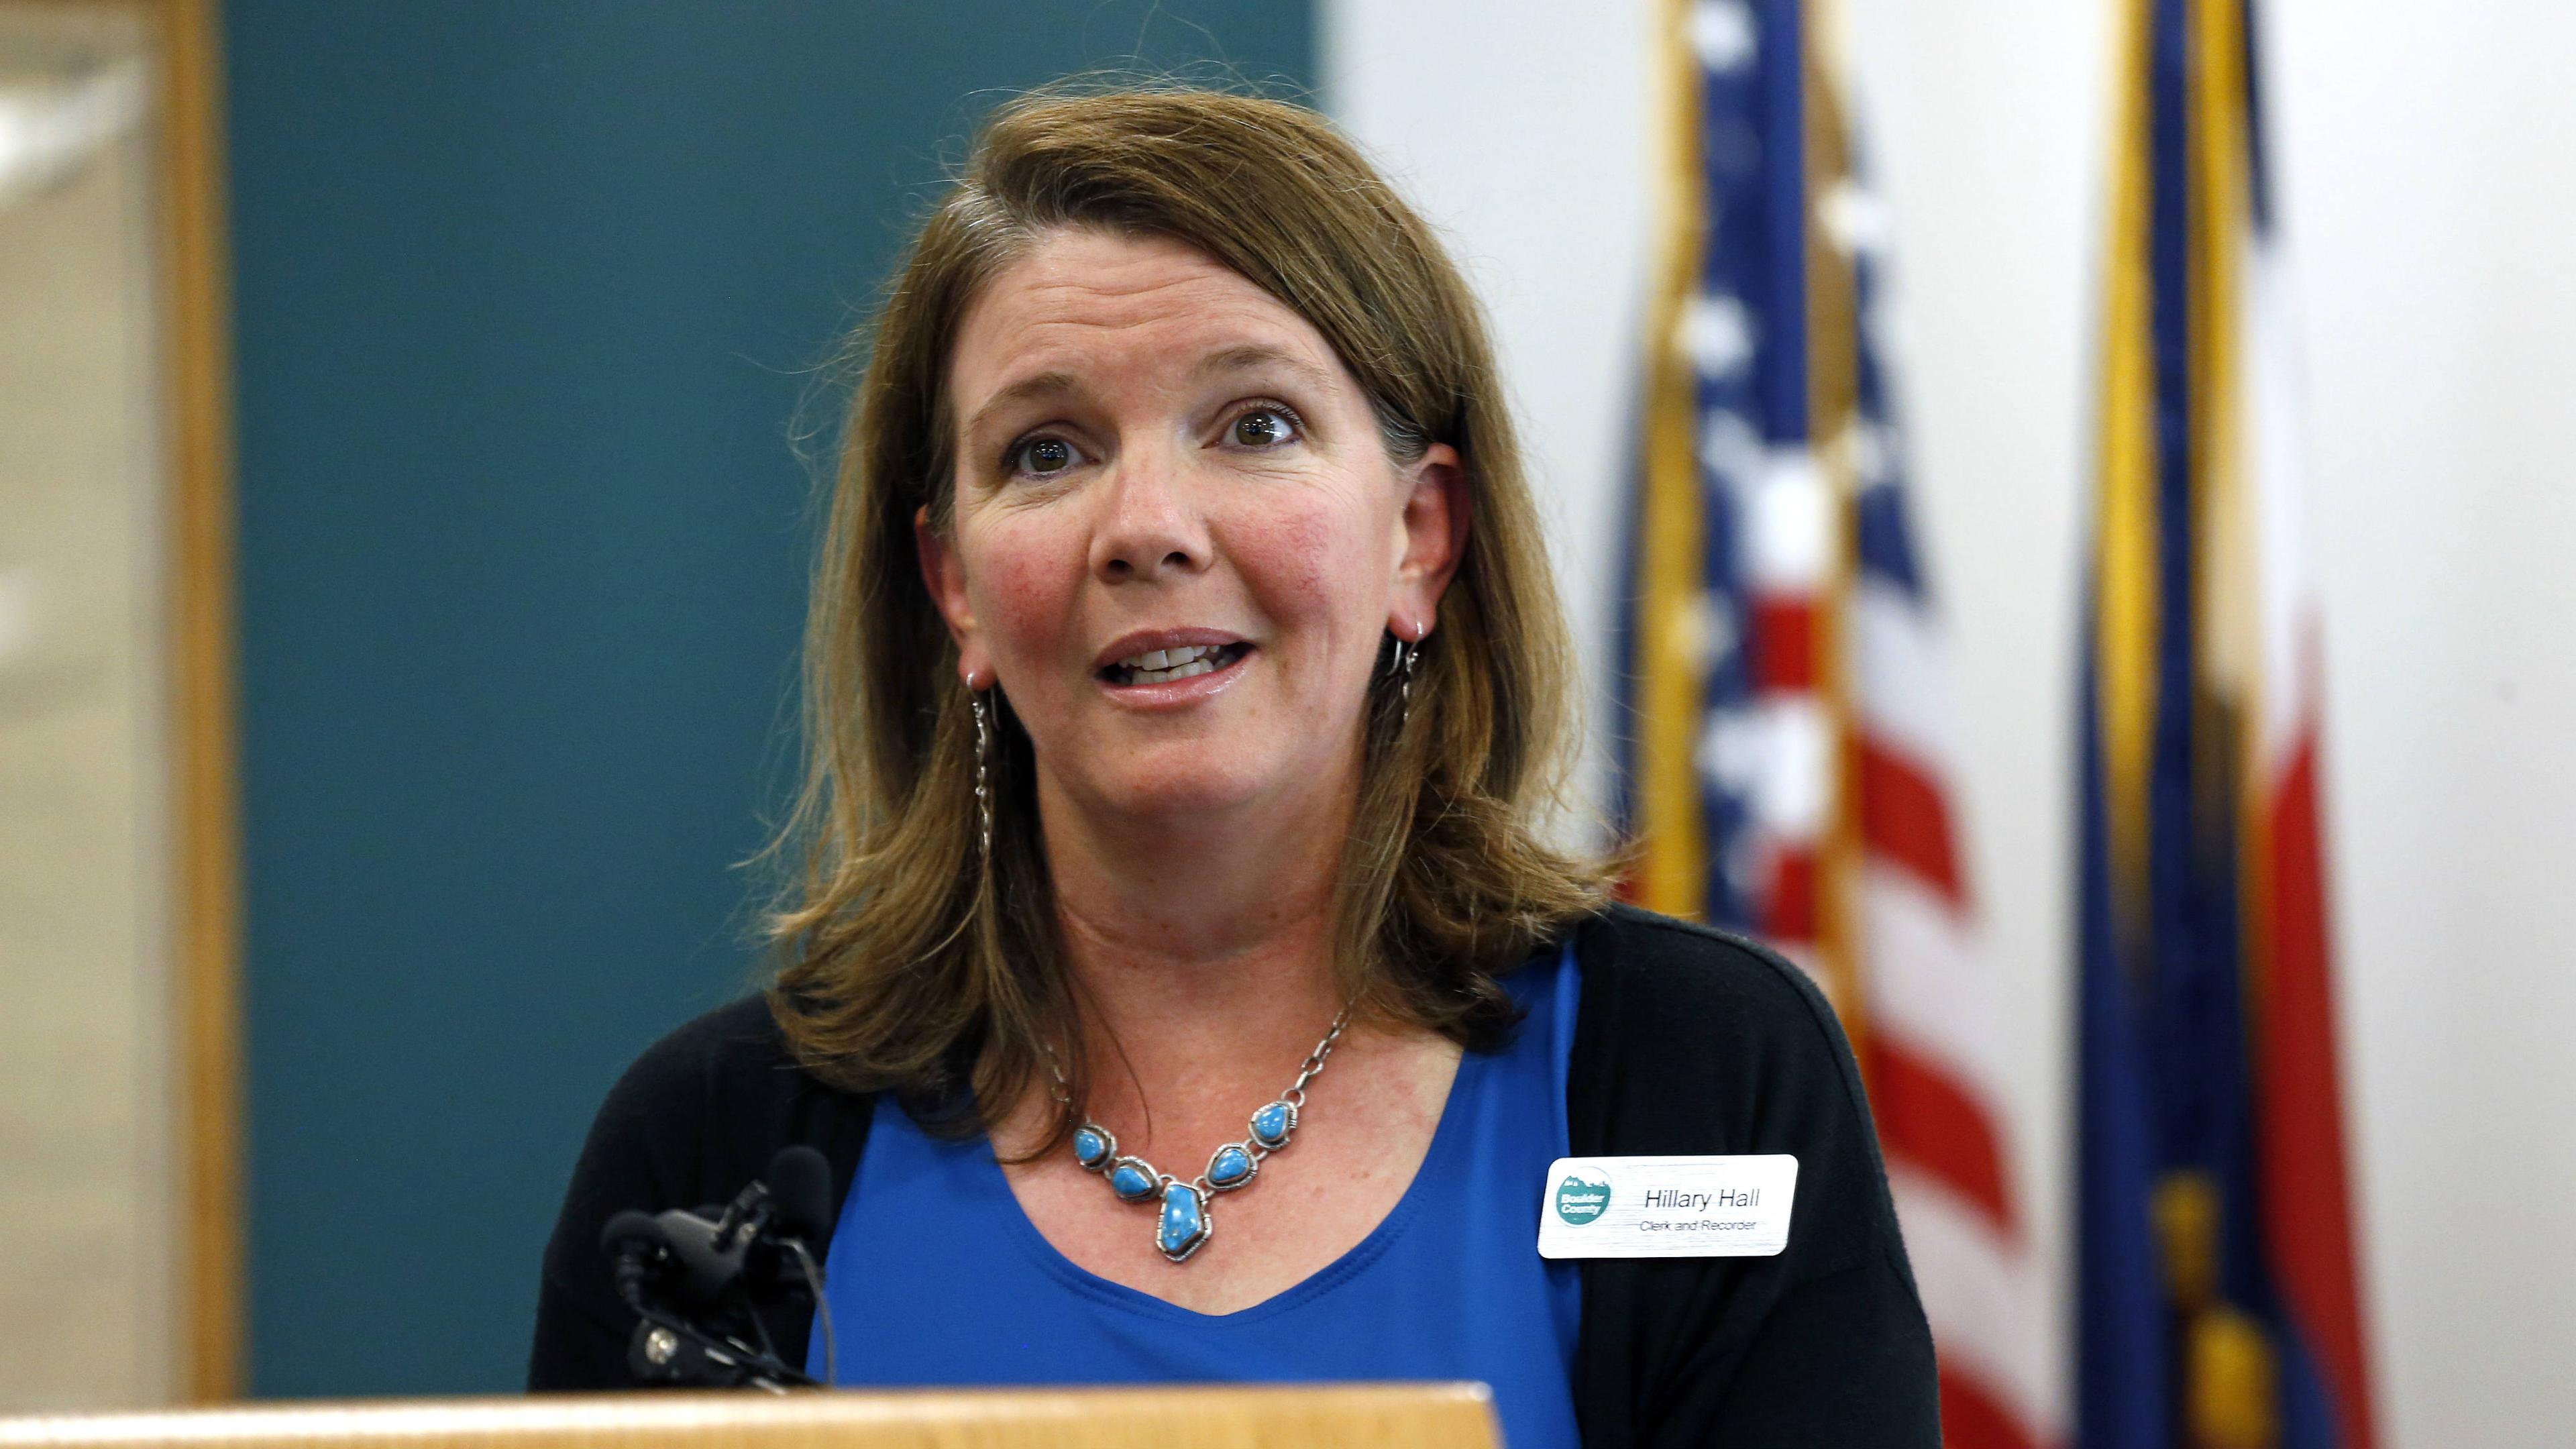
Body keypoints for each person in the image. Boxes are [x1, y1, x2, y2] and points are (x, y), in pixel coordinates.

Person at [529, 86, 1937, 1447]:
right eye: (1047, 450)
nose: (1148, 526)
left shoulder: (1702, 1080)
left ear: (1420, 538)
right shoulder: (711, 1150)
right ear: (953, 587)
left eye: (1255, 425)